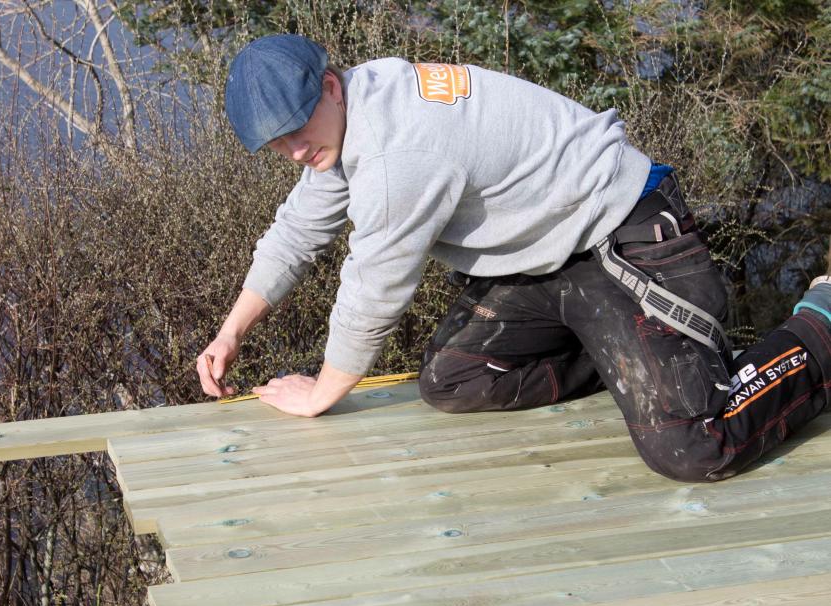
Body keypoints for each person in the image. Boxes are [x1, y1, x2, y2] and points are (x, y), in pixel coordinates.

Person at [196, 33, 831, 482]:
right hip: (549, 257)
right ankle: (625, 355)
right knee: (454, 380)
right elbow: (298, 229)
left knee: (693, 445)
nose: (294, 152)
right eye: (277, 144)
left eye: (297, 131)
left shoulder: (397, 151)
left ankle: (820, 323)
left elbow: (375, 285)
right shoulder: (356, 113)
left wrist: (322, 391)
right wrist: (231, 332)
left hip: (625, 232)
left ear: (330, 87)